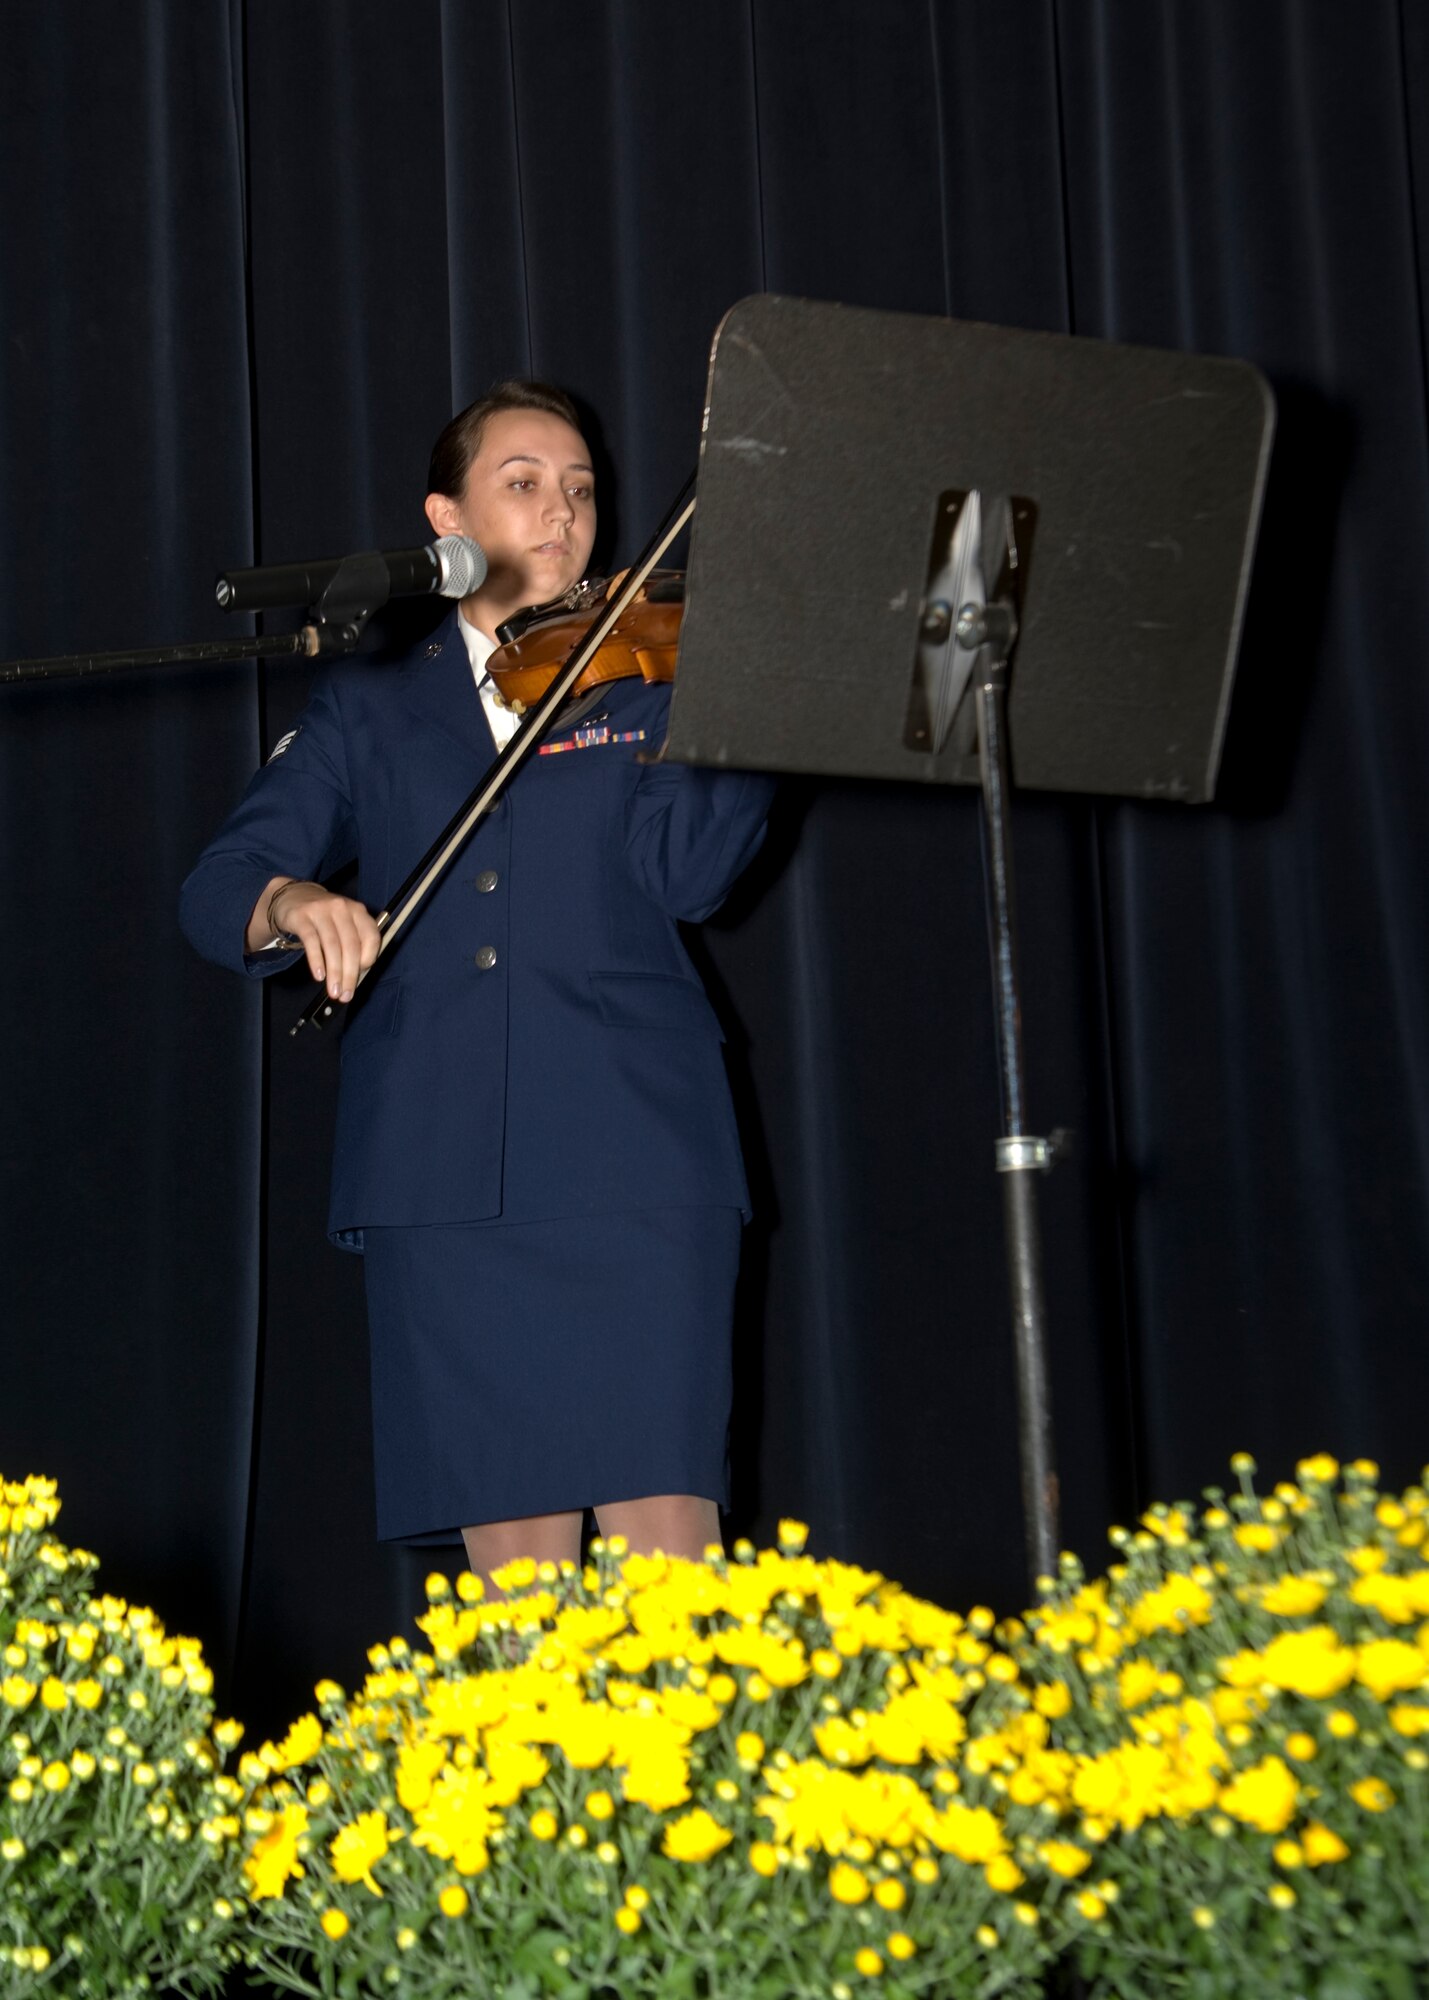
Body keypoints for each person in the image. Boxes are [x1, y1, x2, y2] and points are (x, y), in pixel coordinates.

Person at [180, 381, 776, 1594]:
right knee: (515, 1586)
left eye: (581, 488)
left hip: (634, 1151)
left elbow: (692, 873)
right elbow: (219, 883)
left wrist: (743, 693)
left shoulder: (655, 673)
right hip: (439, 1163)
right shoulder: (372, 703)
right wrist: (292, 901)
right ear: (445, 518)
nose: (562, 511)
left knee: (671, 1556)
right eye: (524, 483)